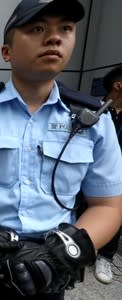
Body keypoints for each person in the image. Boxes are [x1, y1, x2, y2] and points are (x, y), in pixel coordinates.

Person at [0, 0, 122, 299]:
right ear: (6, 52)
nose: (54, 37)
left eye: (66, 29)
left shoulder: (95, 120)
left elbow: (108, 206)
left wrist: (65, 254)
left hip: (52, 263)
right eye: (37, 28)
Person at [93, 65, 122, 284]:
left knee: (116, 214)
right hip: (90, 171)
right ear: (118, 84)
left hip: (119, 176)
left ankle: (105, 257)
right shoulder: (93, 109)